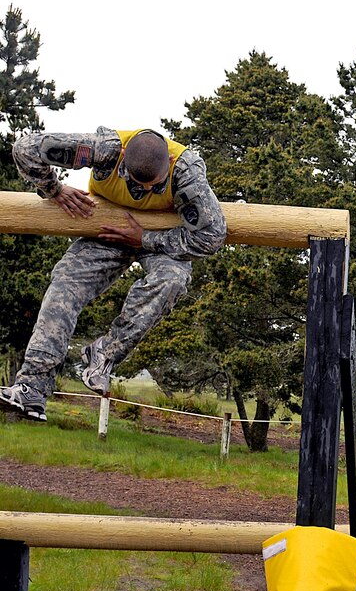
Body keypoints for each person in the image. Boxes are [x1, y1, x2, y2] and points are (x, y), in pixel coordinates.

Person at [0, 127, 225, 422]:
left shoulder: (186, 170)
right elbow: (25, 148)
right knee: (65, 285)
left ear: (168, 164)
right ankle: (33, 386)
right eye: (134, 183)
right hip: (105, 230)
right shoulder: (104, 149)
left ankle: (105, 353)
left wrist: (144, 238)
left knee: (172, 280)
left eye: (154, 186)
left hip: (162, 242)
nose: (143, 191)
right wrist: (53, 190)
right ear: (121, 159)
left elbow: (212, 236)